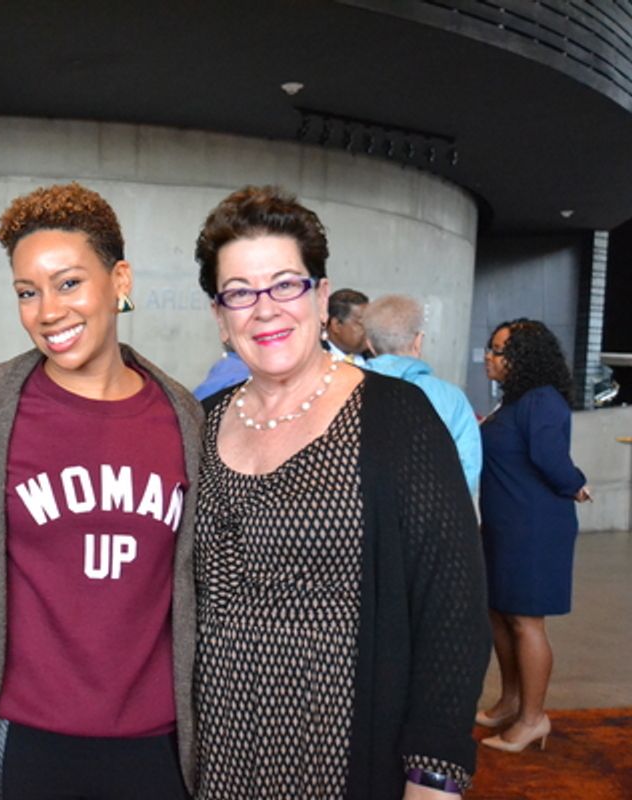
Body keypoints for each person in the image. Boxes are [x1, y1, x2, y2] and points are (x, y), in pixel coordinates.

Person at [192, 186, 490, 799]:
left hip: (342, 759)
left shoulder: (397, 417)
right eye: (240, 293)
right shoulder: (200, 423)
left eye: (285, 285)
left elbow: (452, 605)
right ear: (221, 316)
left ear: (320, 296)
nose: (265, 310)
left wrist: (433, 775)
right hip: (215, 760)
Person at [0, 183, 203, 799]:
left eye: (69, 283)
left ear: (119, 281)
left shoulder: (184, 418)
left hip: (154, 742)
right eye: (27, 292)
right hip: (21, 736)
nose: (48, 311)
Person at [476, 319, 590, 753]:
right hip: (505, 524)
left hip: (534, 528)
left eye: (499, 350)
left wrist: (576, 483)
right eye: (490, 348)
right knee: (500, 614)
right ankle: (510, 701)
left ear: (525, 357)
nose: (489, 357)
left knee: (525, 621)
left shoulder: (542, 399)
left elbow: (548, 456)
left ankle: (532, 719)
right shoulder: (515, 401)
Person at [362, 294, 482, 494]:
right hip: (435, 507)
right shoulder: (452, 398)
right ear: (418, 341)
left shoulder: (345, 392)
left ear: (370, 344)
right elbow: (466, 471)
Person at [326, 288, 371, 362]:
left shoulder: (378, 358)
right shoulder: (314, 358)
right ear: (336, 325)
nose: (369, 329)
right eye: (362, 323)